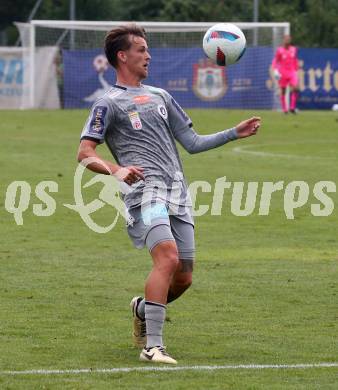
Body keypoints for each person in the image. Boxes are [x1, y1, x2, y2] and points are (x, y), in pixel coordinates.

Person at [77, 24, 261, 365]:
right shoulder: (108, 103)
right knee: (167, 257)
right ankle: (153, 346)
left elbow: (192, 143)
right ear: (122, 56)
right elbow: (84, 152)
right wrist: (116, 170)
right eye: (141, 49)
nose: (148, 55)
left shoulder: (161, 96)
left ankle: (142, 308)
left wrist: (233, 133)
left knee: (185, 277)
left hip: (177, 195)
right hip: (144, 195)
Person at [272, 34, 299, 114]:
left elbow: (295, 60)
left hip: (292, 72)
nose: (287, 40)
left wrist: (296, 69)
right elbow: (276, 61)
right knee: (283, 91)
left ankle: (292, 107)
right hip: (283, 72)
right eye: (286, 39)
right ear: (283, 40)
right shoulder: (279, 50)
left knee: (295, 88)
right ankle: (285, 109)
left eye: (289, 39)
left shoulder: (294, 49)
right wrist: (275, 70)